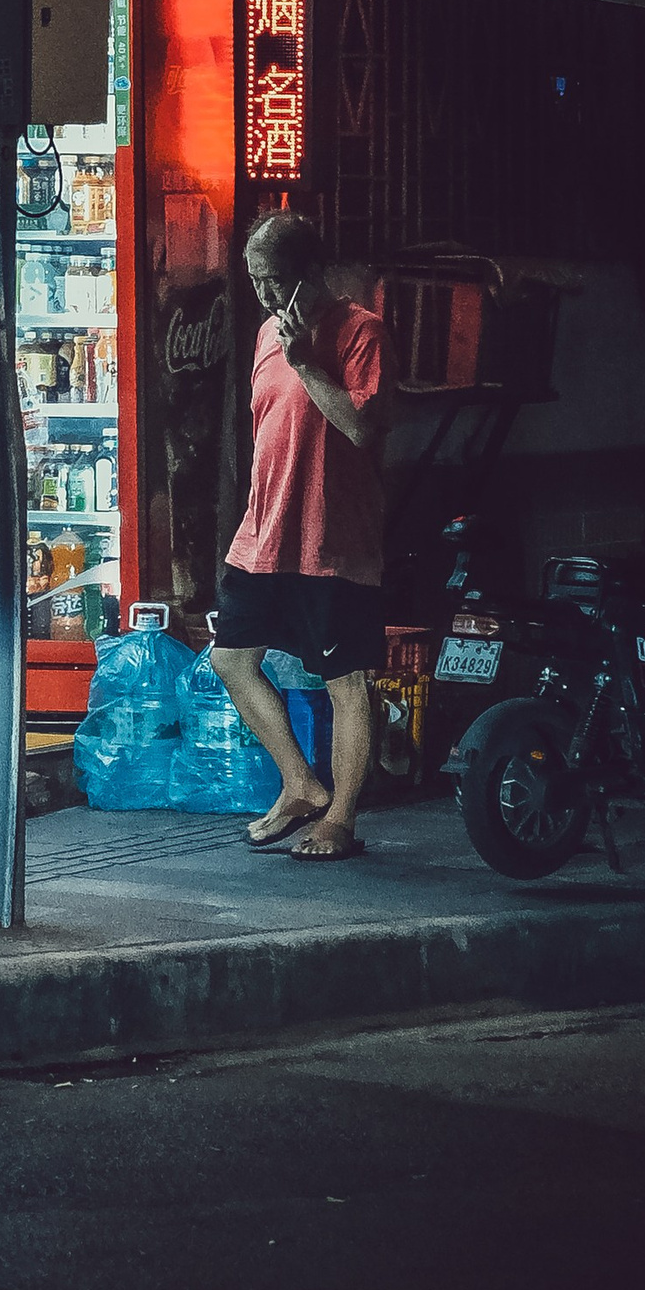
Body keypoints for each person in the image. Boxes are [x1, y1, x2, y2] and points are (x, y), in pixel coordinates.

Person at [209, 206, 387, 862]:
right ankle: (300, 786)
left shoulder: (361, 332)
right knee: (231, 658)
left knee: (346, 682)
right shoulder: (264, 333)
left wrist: (309, 363)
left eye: (273, 280)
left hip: (332, 537)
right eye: (255, 280)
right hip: (265, 532)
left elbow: (364, 428)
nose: (263, 295)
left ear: (311, 273)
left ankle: (340, 819)